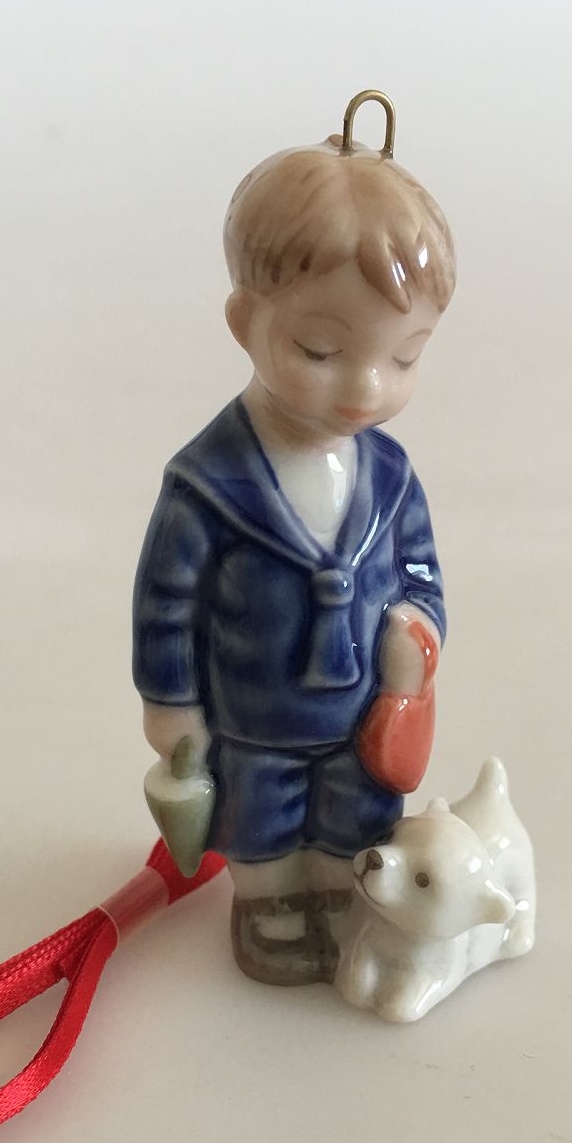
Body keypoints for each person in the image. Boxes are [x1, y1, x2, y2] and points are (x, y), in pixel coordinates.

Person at [133, 112, 456, 986]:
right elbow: (167, 604)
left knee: (357, 814)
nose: (365, 388)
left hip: (361, 720)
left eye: (404, 357)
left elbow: (421, 572)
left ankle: (342, 889)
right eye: (320, 349)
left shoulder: (390, 476)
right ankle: (271, 902)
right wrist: (171, 702)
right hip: (253, 721)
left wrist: (418, 635)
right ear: (246, 321)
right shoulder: (207, 484)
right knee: (261, 818)